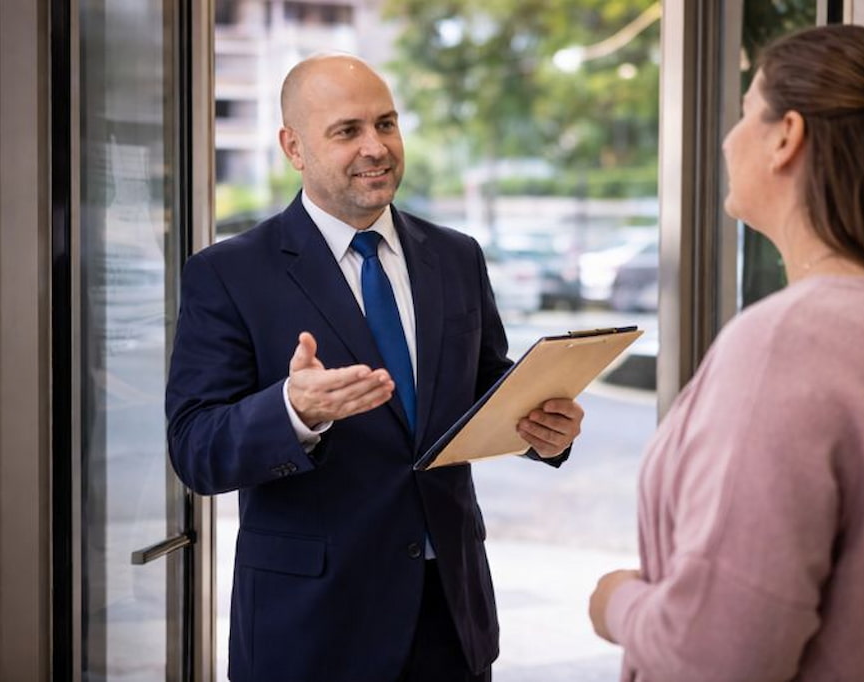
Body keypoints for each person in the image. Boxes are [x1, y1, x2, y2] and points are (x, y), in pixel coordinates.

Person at [588, 23, 864, 682]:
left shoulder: (788, 340)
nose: (727, 138)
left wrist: (616, 604)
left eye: (746, 112)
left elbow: (721, 657)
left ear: (787, 136)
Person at [166, 53, 584, 682]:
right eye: (347, 131)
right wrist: (293, 412)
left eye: (386, 124)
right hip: (312, 632)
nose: (377, 147)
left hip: (451, 620)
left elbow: (485, 394)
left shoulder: (456, 256)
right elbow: (195, 450)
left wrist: (543, 428)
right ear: (294, 147)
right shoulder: (228, 275)